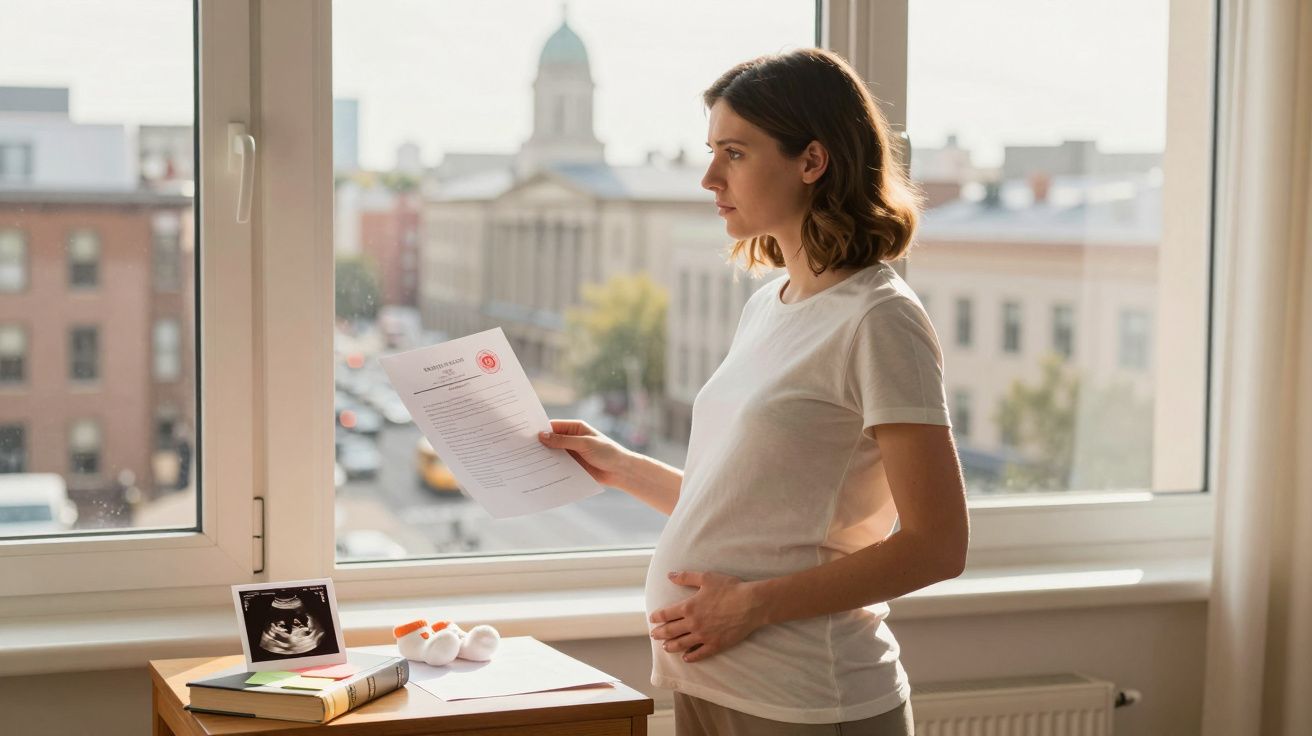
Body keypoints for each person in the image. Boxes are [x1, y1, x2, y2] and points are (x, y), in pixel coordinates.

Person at [537, 47, 969, 736]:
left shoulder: (880, 319)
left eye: (734, 153)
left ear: (812, 161)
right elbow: (760, 515)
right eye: (712, 151)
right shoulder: (770, 304)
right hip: (713, 682)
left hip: (808, 698)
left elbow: (937, 545)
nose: (709, 177)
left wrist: (751, 607)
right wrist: (622, 467)